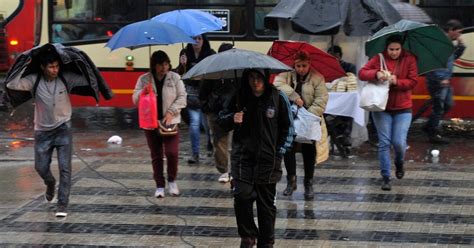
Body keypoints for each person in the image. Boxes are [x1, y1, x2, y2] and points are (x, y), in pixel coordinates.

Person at [6, 52, 89, 217]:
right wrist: (23, 63)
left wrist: (81, 64)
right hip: (43, 132)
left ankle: (62, 205)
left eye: (57, 66)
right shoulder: (34, 80)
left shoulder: (65, 79)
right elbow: (12, 84)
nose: (55, 70)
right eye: (51, 67)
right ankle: (50, 183)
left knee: (66, 169)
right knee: (41, 167)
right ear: (43, 67)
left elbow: (87, 80)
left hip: (64, 128)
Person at [218, 69, 293, 247]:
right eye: (251, 77)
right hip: (242, 158)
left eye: (259, 77)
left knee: (266, 206)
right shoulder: (238, 96)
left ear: (265, 78)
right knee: (242, 197)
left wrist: (279, 152)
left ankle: (266, 241)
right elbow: (221, 120)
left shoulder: (278, 97)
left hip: (268, 160)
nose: (255, 81)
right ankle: (248, 235)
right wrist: (232, 118)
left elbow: (288, 128)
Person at [359, 35, 418, 191]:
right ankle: (386, 177)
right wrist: (376, 73)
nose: (394, 52)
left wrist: (396, 81)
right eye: (391, 49)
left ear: (401, 48)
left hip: (403, 108)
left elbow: (413, 82)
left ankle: (399, 162)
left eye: (397, 49)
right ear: (386, 48)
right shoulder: (379, 58)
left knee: (399, 142)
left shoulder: (409, 59)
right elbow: (362, 73)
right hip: (380, 107)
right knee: (384, 142)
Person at [273, 50, 328, 200]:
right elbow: (277, 83)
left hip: (310, 119)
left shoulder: (317, 78)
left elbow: (321, 100)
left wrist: (308, 115)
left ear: (309, 64)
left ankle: (308, 182)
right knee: (288, 149)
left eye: (304, 65)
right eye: (298, 65)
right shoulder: (287, 75)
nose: (301, 69)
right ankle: (291, 180)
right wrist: (294, 96)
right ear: (294, 65)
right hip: (289, 119)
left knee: (309, 152)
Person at [132, 50, 187, 198]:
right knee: (156, 155)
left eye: (166, 64)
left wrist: (171, 112)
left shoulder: (175, 78)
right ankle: (160, 185)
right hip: (150, 123)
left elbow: (182, 98)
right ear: (154, 65)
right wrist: (143, 91)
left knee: (172, 152)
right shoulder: (144, 79)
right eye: (160, 65)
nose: (163, 68)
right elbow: (135, 99)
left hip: (170, 122)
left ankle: (172, 180)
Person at [423, 19, 466, 144]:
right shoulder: (439, 43)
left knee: (448, 104)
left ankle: (429, 126)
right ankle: (433, 133)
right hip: (438, 81)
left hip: (445, 80)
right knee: (439, 107)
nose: (459, 35)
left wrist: (461, 47)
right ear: (451, 30)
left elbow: (452, 58)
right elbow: (434, 63)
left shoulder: (447, 43)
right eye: (458, 32)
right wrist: (441, 78)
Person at [200, 42, 237, 183]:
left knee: (235, 142)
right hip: (216, 112)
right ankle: (224, 170)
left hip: (234, 111)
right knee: (220, 142)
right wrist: (208, 109)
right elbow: (203, 92)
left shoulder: (238, 71)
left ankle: (234, 170)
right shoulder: (212, 72)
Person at [182, 34, 214, 164]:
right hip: (191, 95)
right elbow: (181, 74)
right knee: (194, 124)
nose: (196, 41)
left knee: (207, 126)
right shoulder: (185, 53)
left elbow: (214, 73)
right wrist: (182, 65)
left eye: (199, 38)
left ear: (203, 40)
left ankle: (210, 145)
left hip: (206, 94)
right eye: (194, 38)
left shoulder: (210, 53)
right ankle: (195, 154)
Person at [327, 45, 357, 151]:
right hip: (328, 102)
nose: (333, 59)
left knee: (348, 112)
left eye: (336, 57)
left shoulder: (349, 67)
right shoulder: (324, 69)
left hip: (344, 101)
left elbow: (352, 83)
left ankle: (345, 135)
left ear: (340, 57)